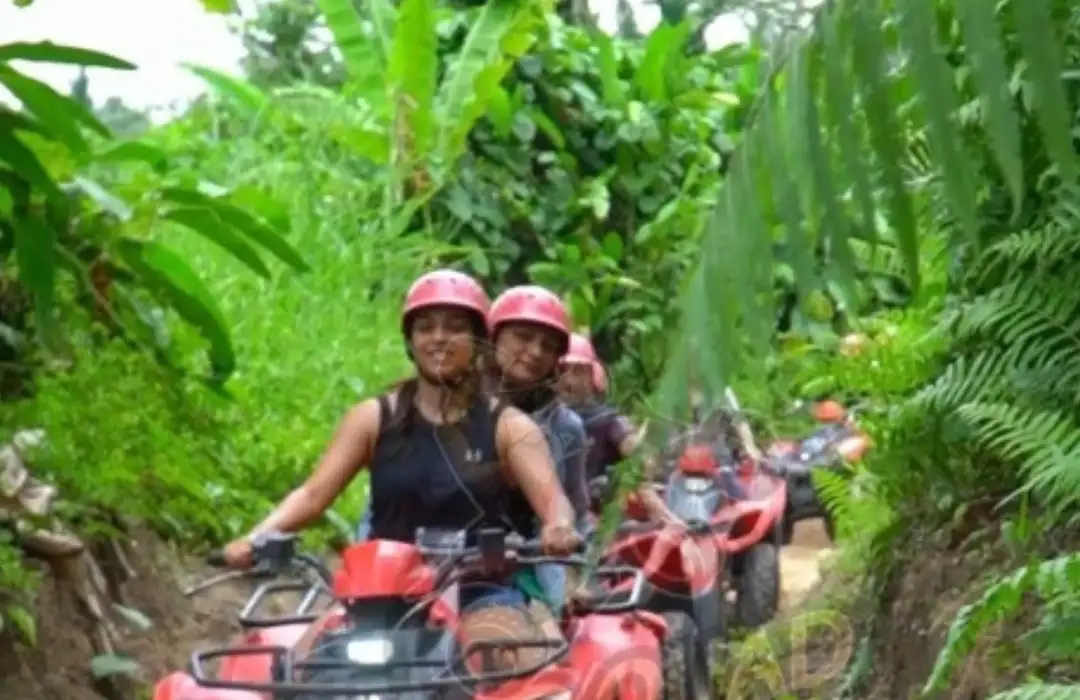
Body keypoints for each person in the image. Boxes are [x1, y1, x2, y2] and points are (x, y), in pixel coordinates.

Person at [220, 269, 578, 672]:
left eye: (455, 328)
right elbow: (312, 495)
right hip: (377, 597)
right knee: (297, 672)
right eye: (426, 328)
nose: (438, 337)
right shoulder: (373, 418)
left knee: (512, 667)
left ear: (479, 343)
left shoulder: (511, 427)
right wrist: (256, 538)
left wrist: (557, 528)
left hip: (480, 592)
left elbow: (552, 500)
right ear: (410, 341)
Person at [485, 285, 590, 616]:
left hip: (528, 555)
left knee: (550, 638)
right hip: (444, 555)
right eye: (523, 336)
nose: (534, 351)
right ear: (494, 339)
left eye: (548, 346)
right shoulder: (450, 406)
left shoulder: (566, 427)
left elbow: (573, 504)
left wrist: (572, 564)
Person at [557, 332, 678, 523]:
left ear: (591, 376)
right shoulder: (535, 418)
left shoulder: (606, 420)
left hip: (594, 513)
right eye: (561, 370)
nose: (568, 380)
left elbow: (633, 453)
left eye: (578, 371)